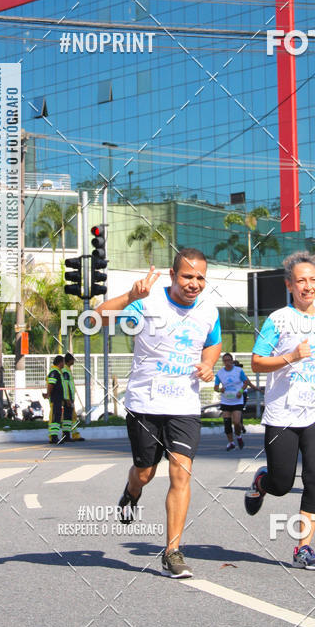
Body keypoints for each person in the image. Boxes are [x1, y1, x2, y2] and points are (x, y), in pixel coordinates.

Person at [96, 247, 221, 579]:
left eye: (199, 277)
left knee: (181, 473)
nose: (193, 283)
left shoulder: (209, 309)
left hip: (184, 406)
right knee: (145, 473)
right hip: (145, 404)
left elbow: (213, 341)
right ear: (172, 275)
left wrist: (208, 363)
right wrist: (128, 296)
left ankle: (172, 552)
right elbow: (96, 318)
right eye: (187, 276)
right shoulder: (147, 304)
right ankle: (131, 491)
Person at [244, 251, 315, 570]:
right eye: (301, 280)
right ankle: (263, 483)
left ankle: (303, 548)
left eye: (313, 280)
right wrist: (291, 356)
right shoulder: (278, 320)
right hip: (283, 412)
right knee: (282, 482)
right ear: (290, 285)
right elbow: (257, 362)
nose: (308, 286)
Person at [214, 353, 249, 450]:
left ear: (232, 361)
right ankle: (231, 442)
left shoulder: (238, 371)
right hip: (226, 400)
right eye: (225, 361)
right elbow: (216, 387)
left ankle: (239, 436)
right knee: (227, 422)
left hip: (237, 400)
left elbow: (246, 382)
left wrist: (241, 391)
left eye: (229, 360)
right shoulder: (220, 373)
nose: (227, 362)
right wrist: (220, 389)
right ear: (223, 362)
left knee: (237, 422)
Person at [62, 353, 84, 441]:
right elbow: (65, 386)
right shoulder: (65, 371)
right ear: (69, 360)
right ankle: (66, 435)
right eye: (73, 360)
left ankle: (75, 435)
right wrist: (67, 399)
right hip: (68, 398)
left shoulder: (67, 370)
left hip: (71, 398)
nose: (73, 361)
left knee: (73, 417)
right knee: (68, 417)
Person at [46, 355, 65, 444]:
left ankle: (55, 436)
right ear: (60, 362)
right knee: (55, 418)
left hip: (58, 399)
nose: (64, 364)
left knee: (57, 418)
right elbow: (51, 384)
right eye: (63, 362)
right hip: (55, 399)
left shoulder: (58, 372)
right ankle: (53, 437)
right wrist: (48, 394)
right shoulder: (54, 372)